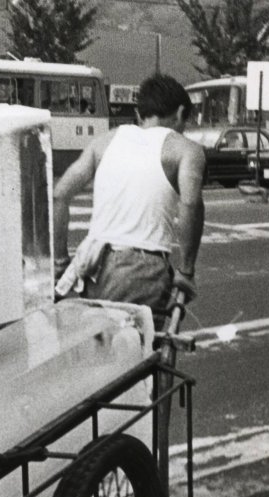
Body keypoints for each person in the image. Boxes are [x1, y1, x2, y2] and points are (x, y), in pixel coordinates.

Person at [53, 73, 206, 327]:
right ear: (180, 113)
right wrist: (187, 270)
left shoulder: (103, 143)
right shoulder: (186, 149)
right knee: (136, 354)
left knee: (100, 351)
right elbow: (190, 204)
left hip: (91, 263)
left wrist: (60, 261)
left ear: (139, 114)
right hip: (141, 269)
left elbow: (60, 195)